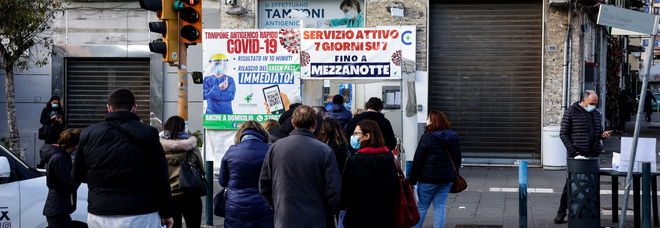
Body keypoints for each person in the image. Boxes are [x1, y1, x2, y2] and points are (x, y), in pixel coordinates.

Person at [72, 88, 173, 228]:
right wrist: (166, 213)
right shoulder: (148, 133)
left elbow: (77, 174)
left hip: (100, 212)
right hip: (140, 212)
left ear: (108, 108)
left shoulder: (88, 133)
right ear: (134, 108)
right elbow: (161, 177)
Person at [259, 105, 342, 228]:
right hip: (316, 218)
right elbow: (334, 189)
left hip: (284, 217)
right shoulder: (325, 151)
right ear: (315, 124)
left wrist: (277, 205)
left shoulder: (275, 148)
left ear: (292, 123)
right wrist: (326, 211)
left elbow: (264, 184)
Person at [554, 91, 612, 224]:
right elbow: (563, 134)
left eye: (596, 104)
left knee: (590, 185)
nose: (594, 106)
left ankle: (586, 212)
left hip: (592, 155)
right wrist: (574, 152)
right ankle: (561, 212)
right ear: (583, 101)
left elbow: (598, 132)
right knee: (571, 183)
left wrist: (603, 135)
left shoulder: (596, 114)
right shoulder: (571, 112)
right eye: (591, 103)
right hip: (577, 155)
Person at [409, 110, 461, 228]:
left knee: (422, 207)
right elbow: (458, 158)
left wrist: (412, 180)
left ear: (432, 121)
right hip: (447, 179)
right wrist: (454, 173)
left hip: (428, 179)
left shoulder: (427, 137)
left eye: (428, 118)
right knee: (440, 207)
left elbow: (418, 161)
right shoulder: (454, 137)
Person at [340, 119, 398, 228]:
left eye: (356, 134)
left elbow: (346, 191)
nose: (353, 137)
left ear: (367, 136)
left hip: (359, 217)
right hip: (386, 217)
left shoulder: (354, 161)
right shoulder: (390, 158)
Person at [220, 120, 274, 228]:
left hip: (235, 206)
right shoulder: (270, 150)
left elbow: (222, 181)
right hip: (263, 205)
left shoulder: (230, 152)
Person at [159, 116, 203, 228]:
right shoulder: (191, 147)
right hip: (190, 194)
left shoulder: (158, 147)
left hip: (168, 197)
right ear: (183, 129)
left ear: (165, 129)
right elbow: (201, 169)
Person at [42, 129, 82, 228]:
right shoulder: (60, 158)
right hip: (58, 210)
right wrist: (80, 171)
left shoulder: (61, 156)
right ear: (76, 146)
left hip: (58, 209)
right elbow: (71, 185)